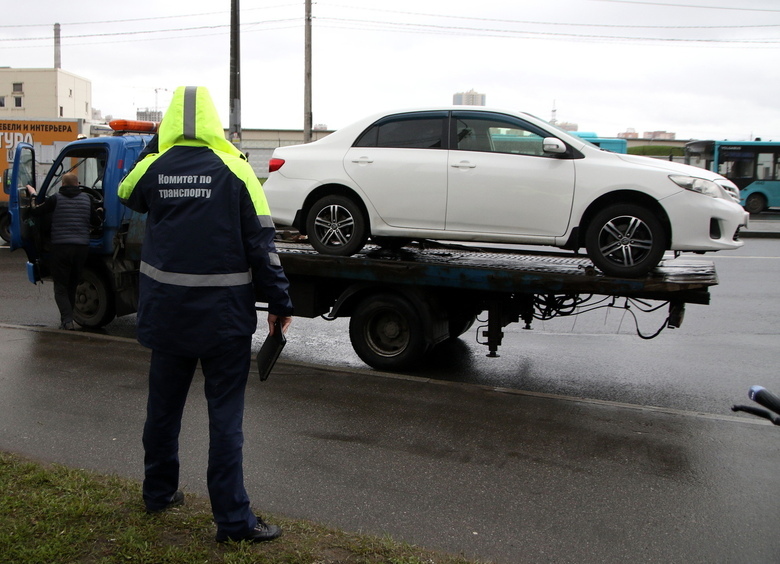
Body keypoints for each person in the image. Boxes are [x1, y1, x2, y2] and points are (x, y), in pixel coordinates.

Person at [117, 86, 293, 543]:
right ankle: (233, 523)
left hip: (167, 318)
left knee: (162, 412)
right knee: (224, 422)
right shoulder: (236, 168)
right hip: (223, 322)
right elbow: (263, 245)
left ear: (170, 123)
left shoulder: (154, 168)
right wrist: (280, 303)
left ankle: (158, 493)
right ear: (214, 123)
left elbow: (124, 192)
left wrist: (159, 148)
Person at [27, 172, 103, 330]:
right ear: (78, 184)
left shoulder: (55, 199)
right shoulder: (87, 199)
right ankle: (68, 319)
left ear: (62, 185)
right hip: (81, 249)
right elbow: (96, 223)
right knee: (73, 284)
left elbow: (35, 211)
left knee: (60, 286)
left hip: (61, 248)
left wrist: (33, 194)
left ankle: (67, 320)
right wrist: (100, 210)